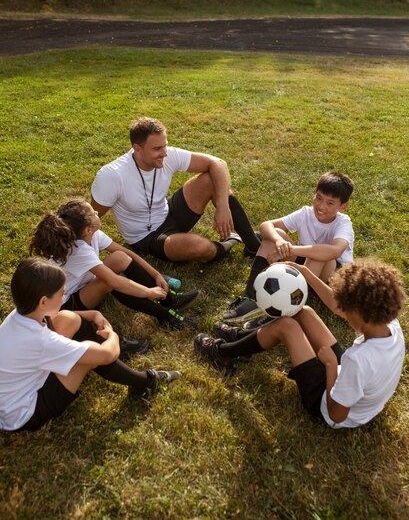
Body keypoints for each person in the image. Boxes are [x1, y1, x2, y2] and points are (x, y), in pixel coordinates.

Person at [195, 260, 406, 429]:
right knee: (303, 312)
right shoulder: (390, 325)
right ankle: (242, 337)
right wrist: (307, 274)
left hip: (325, 403)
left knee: (286, 326)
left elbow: (337, 415)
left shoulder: (358, 360)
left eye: (347, 310)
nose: (342, 312)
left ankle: (223, 353)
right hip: (348, 382)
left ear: (361, 314)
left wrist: (331, 367)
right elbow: (336, 307)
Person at [0, 258, 181, 432]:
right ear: (43, 301)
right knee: (89, 353)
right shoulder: (41, 341)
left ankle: (136, 379)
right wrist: (112, 335)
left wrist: (92, 314)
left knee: (68, 318)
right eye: (62, 294)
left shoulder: (20, 314)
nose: (64, 298)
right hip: (25, 414)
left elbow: (55, 318)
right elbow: (106, 354)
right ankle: (144, 382)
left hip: (12, 399)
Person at [91, 117, 260, 263]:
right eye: (157, 149)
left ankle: (253, 246)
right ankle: (230, 241)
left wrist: (223, 206)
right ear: (137, 148)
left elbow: (218, 164)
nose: (164, 153)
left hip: (169, 211)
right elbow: (89, 219)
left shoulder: (167, 154)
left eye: (165, 145)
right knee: (201, 248)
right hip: (147, 236)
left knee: (211, 179)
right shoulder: (113, 175)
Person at [29, 199, 199, 334]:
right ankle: (165, 315)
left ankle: (169, 299)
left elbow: (126, 253)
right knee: (107, 281)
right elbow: (115, 281)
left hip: (82, 287)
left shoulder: (92, 234)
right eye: (93, 213)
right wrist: (149, 292)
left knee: (119, 258)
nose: (97, 213)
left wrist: (156, 275)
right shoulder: (77, 251)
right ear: (87, 229)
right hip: (65, 308)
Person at [223, 170, 354, 325]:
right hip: (305, 266)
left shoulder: (343, 223)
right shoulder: (306, 213)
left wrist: (291, 250)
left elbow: (334, 251)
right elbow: (266, 225)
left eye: (330, 203)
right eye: (318, 198)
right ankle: (251, 298)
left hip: (332, 279)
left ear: (343, 206)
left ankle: (283, 310)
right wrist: (279, 241)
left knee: (319, 254)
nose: (321, 206)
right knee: (274, 235)